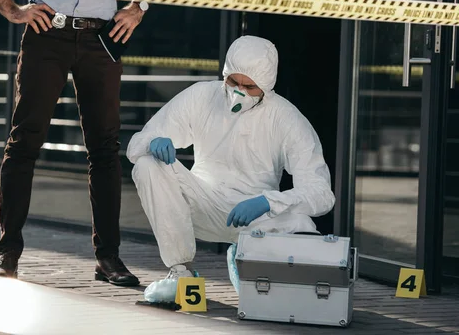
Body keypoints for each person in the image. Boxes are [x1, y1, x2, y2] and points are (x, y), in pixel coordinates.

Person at [0, 0, 171, 286]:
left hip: (101, 38)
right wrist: (13, 10)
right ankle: (8, 255)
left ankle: (108, 258)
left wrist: (139, 6)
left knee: (105, 149)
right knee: (24, 142)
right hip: (46, 33)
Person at [126, 35, 336, 299]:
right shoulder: (201, 96)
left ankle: (257, 268)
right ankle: (181, 272)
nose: (239, 91)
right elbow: (136, 146)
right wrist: (153, 141)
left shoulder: (287, 118)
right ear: (225, 72)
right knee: (147, 165)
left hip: (256, 217)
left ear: (267, 85)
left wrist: (268, 202)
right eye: (234, 81)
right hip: (201, 203)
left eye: (250, 86)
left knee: (301, 222)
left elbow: (321, 194)